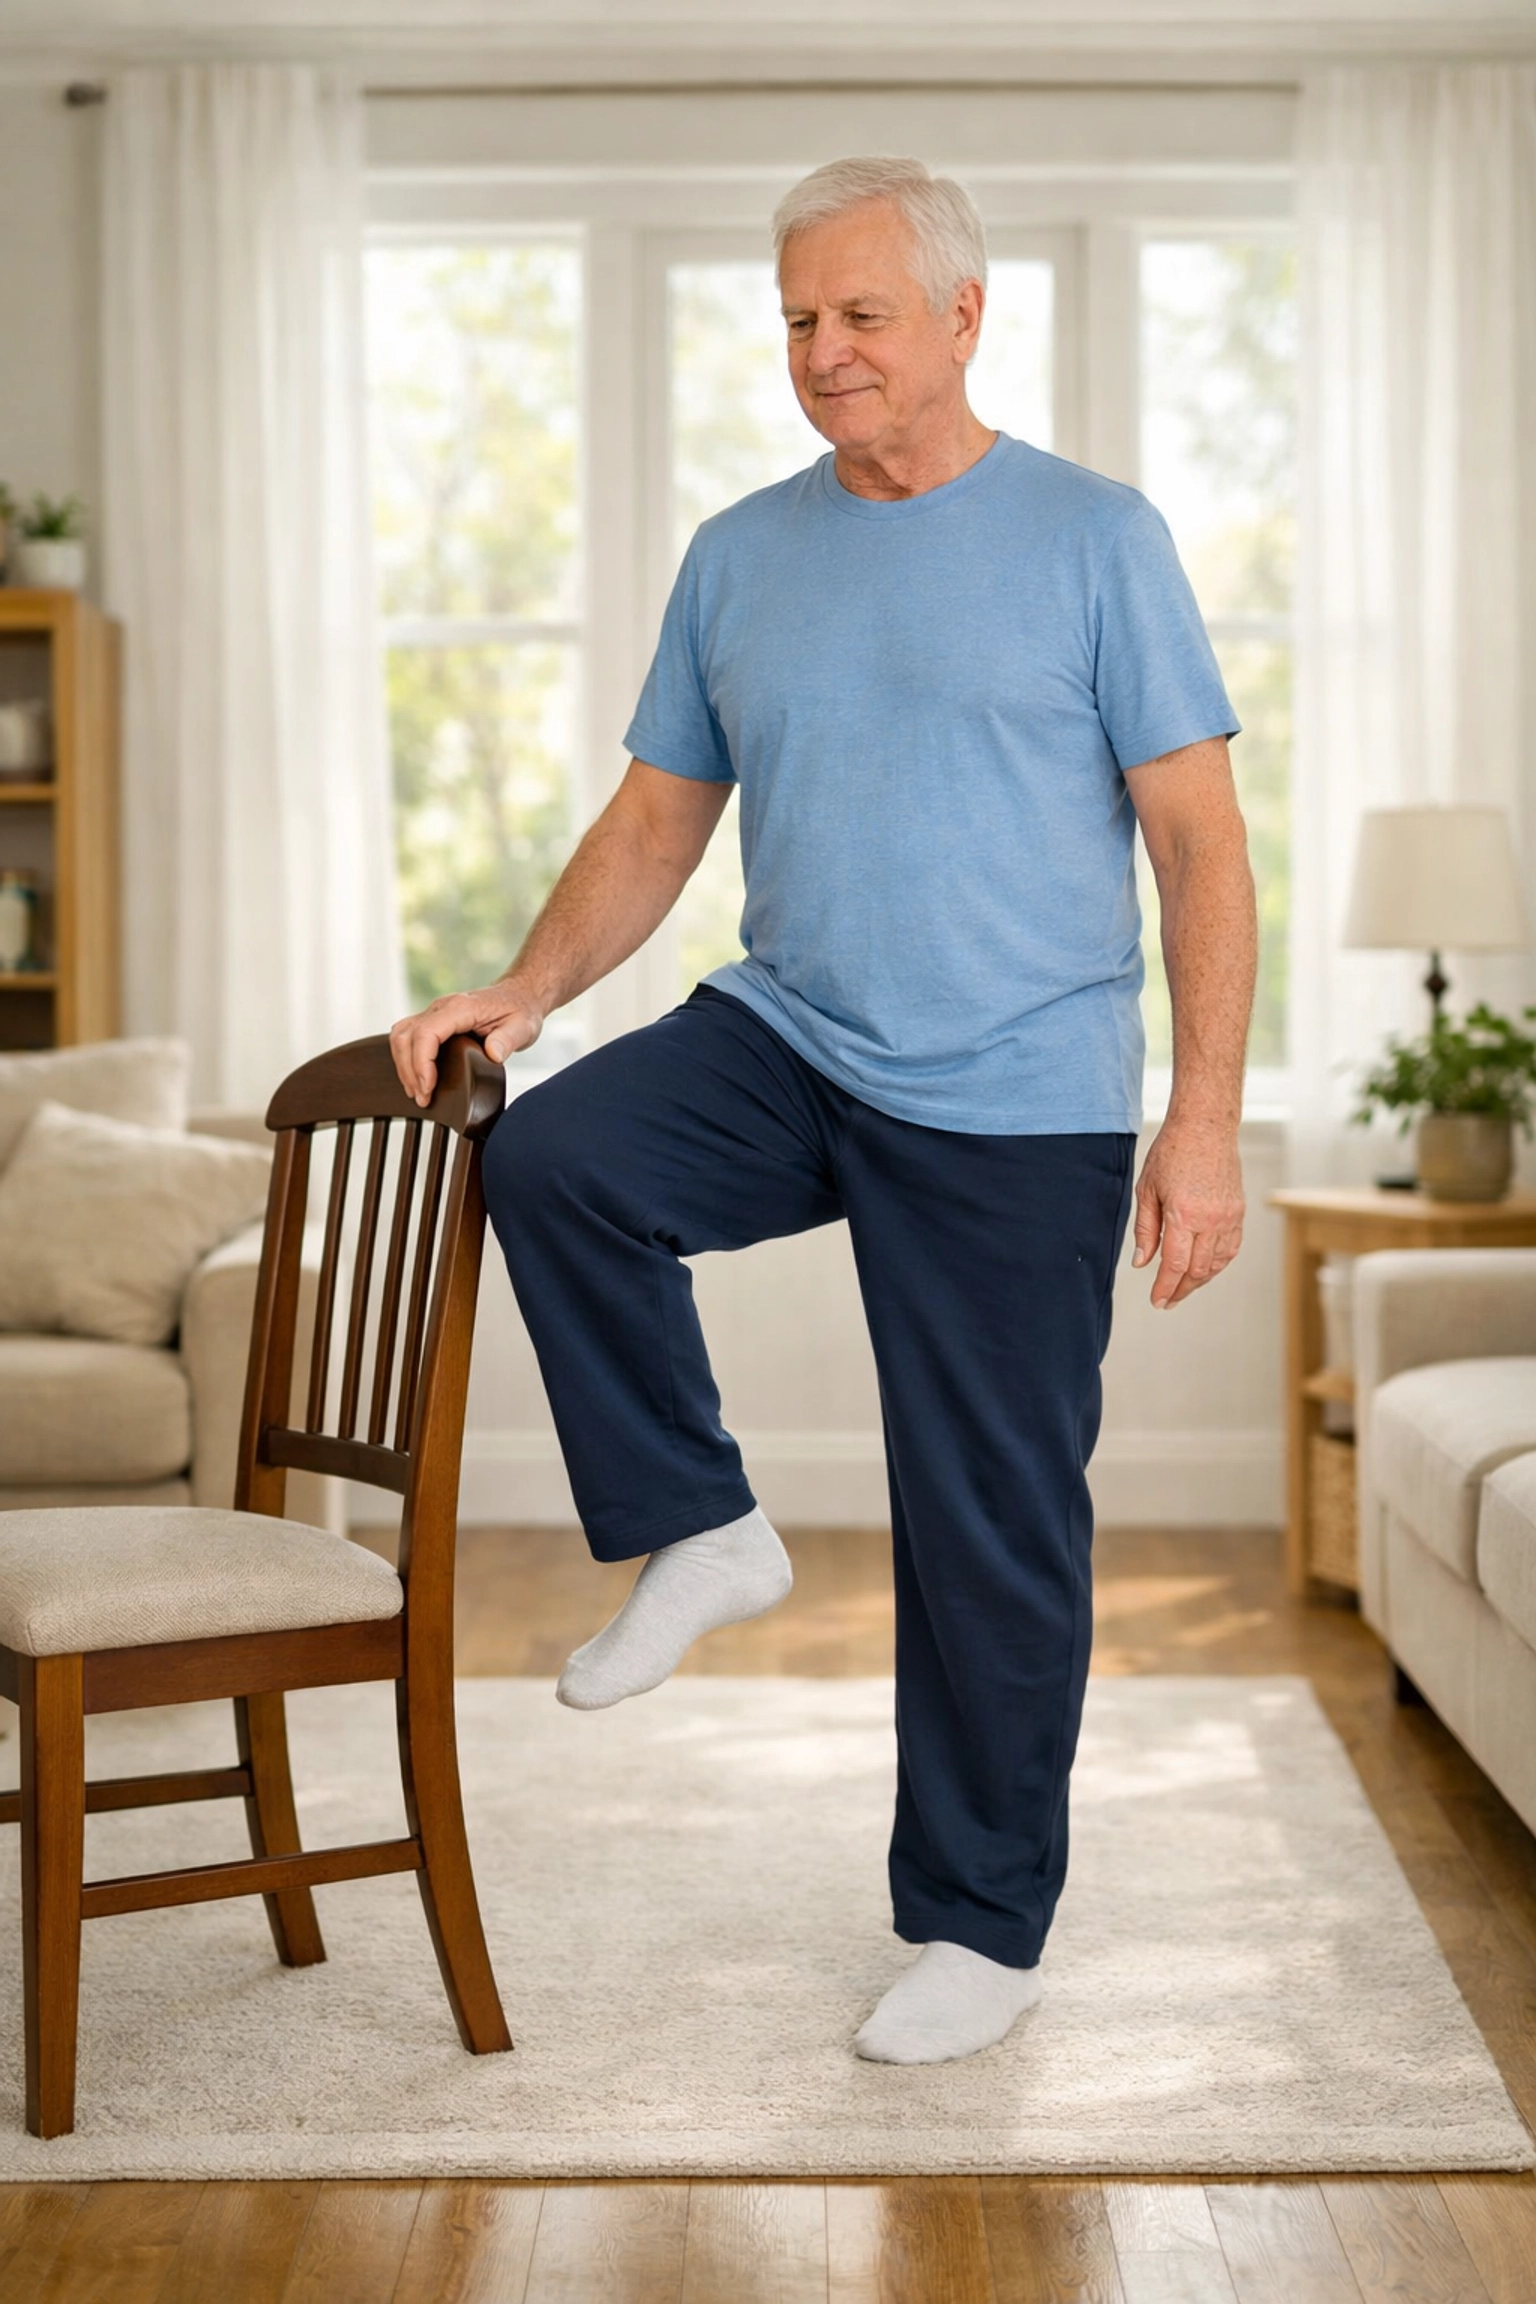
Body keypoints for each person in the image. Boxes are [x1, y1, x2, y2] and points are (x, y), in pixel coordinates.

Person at [389, 155, 1256, 2066]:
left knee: (990, 1522)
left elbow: (1199, 843)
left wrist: (1203, 1122)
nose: (823, 352)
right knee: (557, 1156)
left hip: (1022, 1098)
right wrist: (522, 995)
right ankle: (701, 1525)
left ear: (962, 314)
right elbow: (652, 825)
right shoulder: (741, 555)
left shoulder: (1095, 537)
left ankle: (980, 1925)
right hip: (795, 1037)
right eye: (795, 319)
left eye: (860, 314)